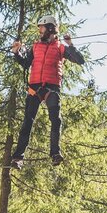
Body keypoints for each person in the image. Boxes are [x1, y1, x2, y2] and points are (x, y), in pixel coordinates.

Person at [9, 14, 84, 167]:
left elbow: (79, 60)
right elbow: (25, 64)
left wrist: (70, 45)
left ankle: (55, 154)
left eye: (41, 28)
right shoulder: (35, 47)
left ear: (50, 28)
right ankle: (18, 158)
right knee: (27, 122)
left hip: (51, 88)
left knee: (56, 120)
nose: (40, 32)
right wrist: (16, 53)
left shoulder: (61, 48)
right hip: (34, 88)